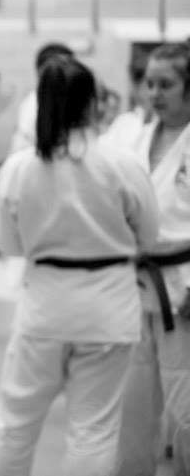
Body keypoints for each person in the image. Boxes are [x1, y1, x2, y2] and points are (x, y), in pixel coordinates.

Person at [0, 56, 158, 476]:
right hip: (108, 307)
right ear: (93, 103)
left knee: (14, 427)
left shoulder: (22, 168)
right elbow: (148, 236)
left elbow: (4, 241)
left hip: (45, 305)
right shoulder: (123, 164)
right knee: (94, 431)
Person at [111, 42, 190, 476]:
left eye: (167, 84)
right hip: (135, 282)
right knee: (133, 403)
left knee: (185, 404)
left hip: (182, 287)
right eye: (149, 83)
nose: (154, 93)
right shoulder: (134, 134)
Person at [9, 42, 75, 155]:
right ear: (43, 71)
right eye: (66, 67)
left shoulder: (62, 101)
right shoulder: (33, 105)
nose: (74, 73)